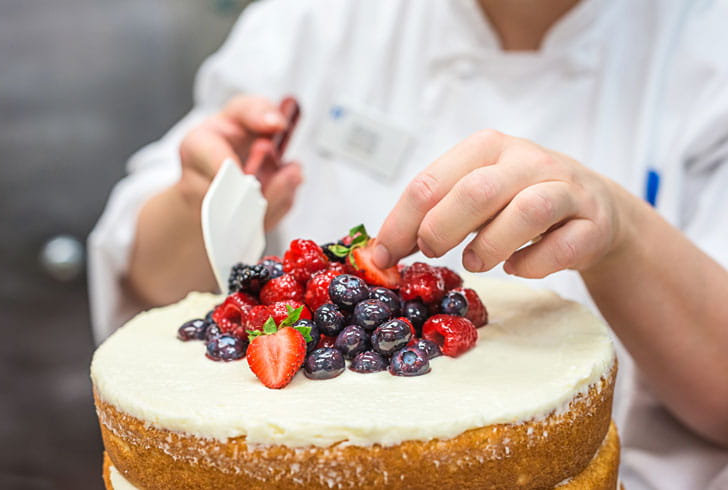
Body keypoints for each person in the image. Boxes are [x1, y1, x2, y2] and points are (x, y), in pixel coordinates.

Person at [88, 0, 728, 487]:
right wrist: (198, 199)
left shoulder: (706, 46)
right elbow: (155, 289)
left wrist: (623, 233)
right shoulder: (313, 21)